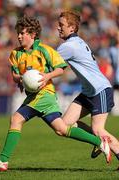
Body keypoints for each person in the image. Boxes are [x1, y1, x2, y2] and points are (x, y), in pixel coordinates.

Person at [0, 14, 110, 171]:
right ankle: (99, 142)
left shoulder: (45, 50)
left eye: (23, 33)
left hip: (44, 94)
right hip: (34, 95)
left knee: (16, 119)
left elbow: (60, 68)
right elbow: (15, 74)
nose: (19, 36)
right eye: (18, 33)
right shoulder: (15, 54)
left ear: (33, 34)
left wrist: (47, 76)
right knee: (61, 129)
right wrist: (20, 79)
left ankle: (3, 160)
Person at [56, 10, 119, 165]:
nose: (58, 28)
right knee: (64, 125)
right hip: (88, 92)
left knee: (98, 129)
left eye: (61, 25)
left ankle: (107, 144)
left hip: (100, 90)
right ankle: (98, 141)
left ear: (71, 28)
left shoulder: (69, 46)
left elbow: (49, 62)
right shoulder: (77, 42)